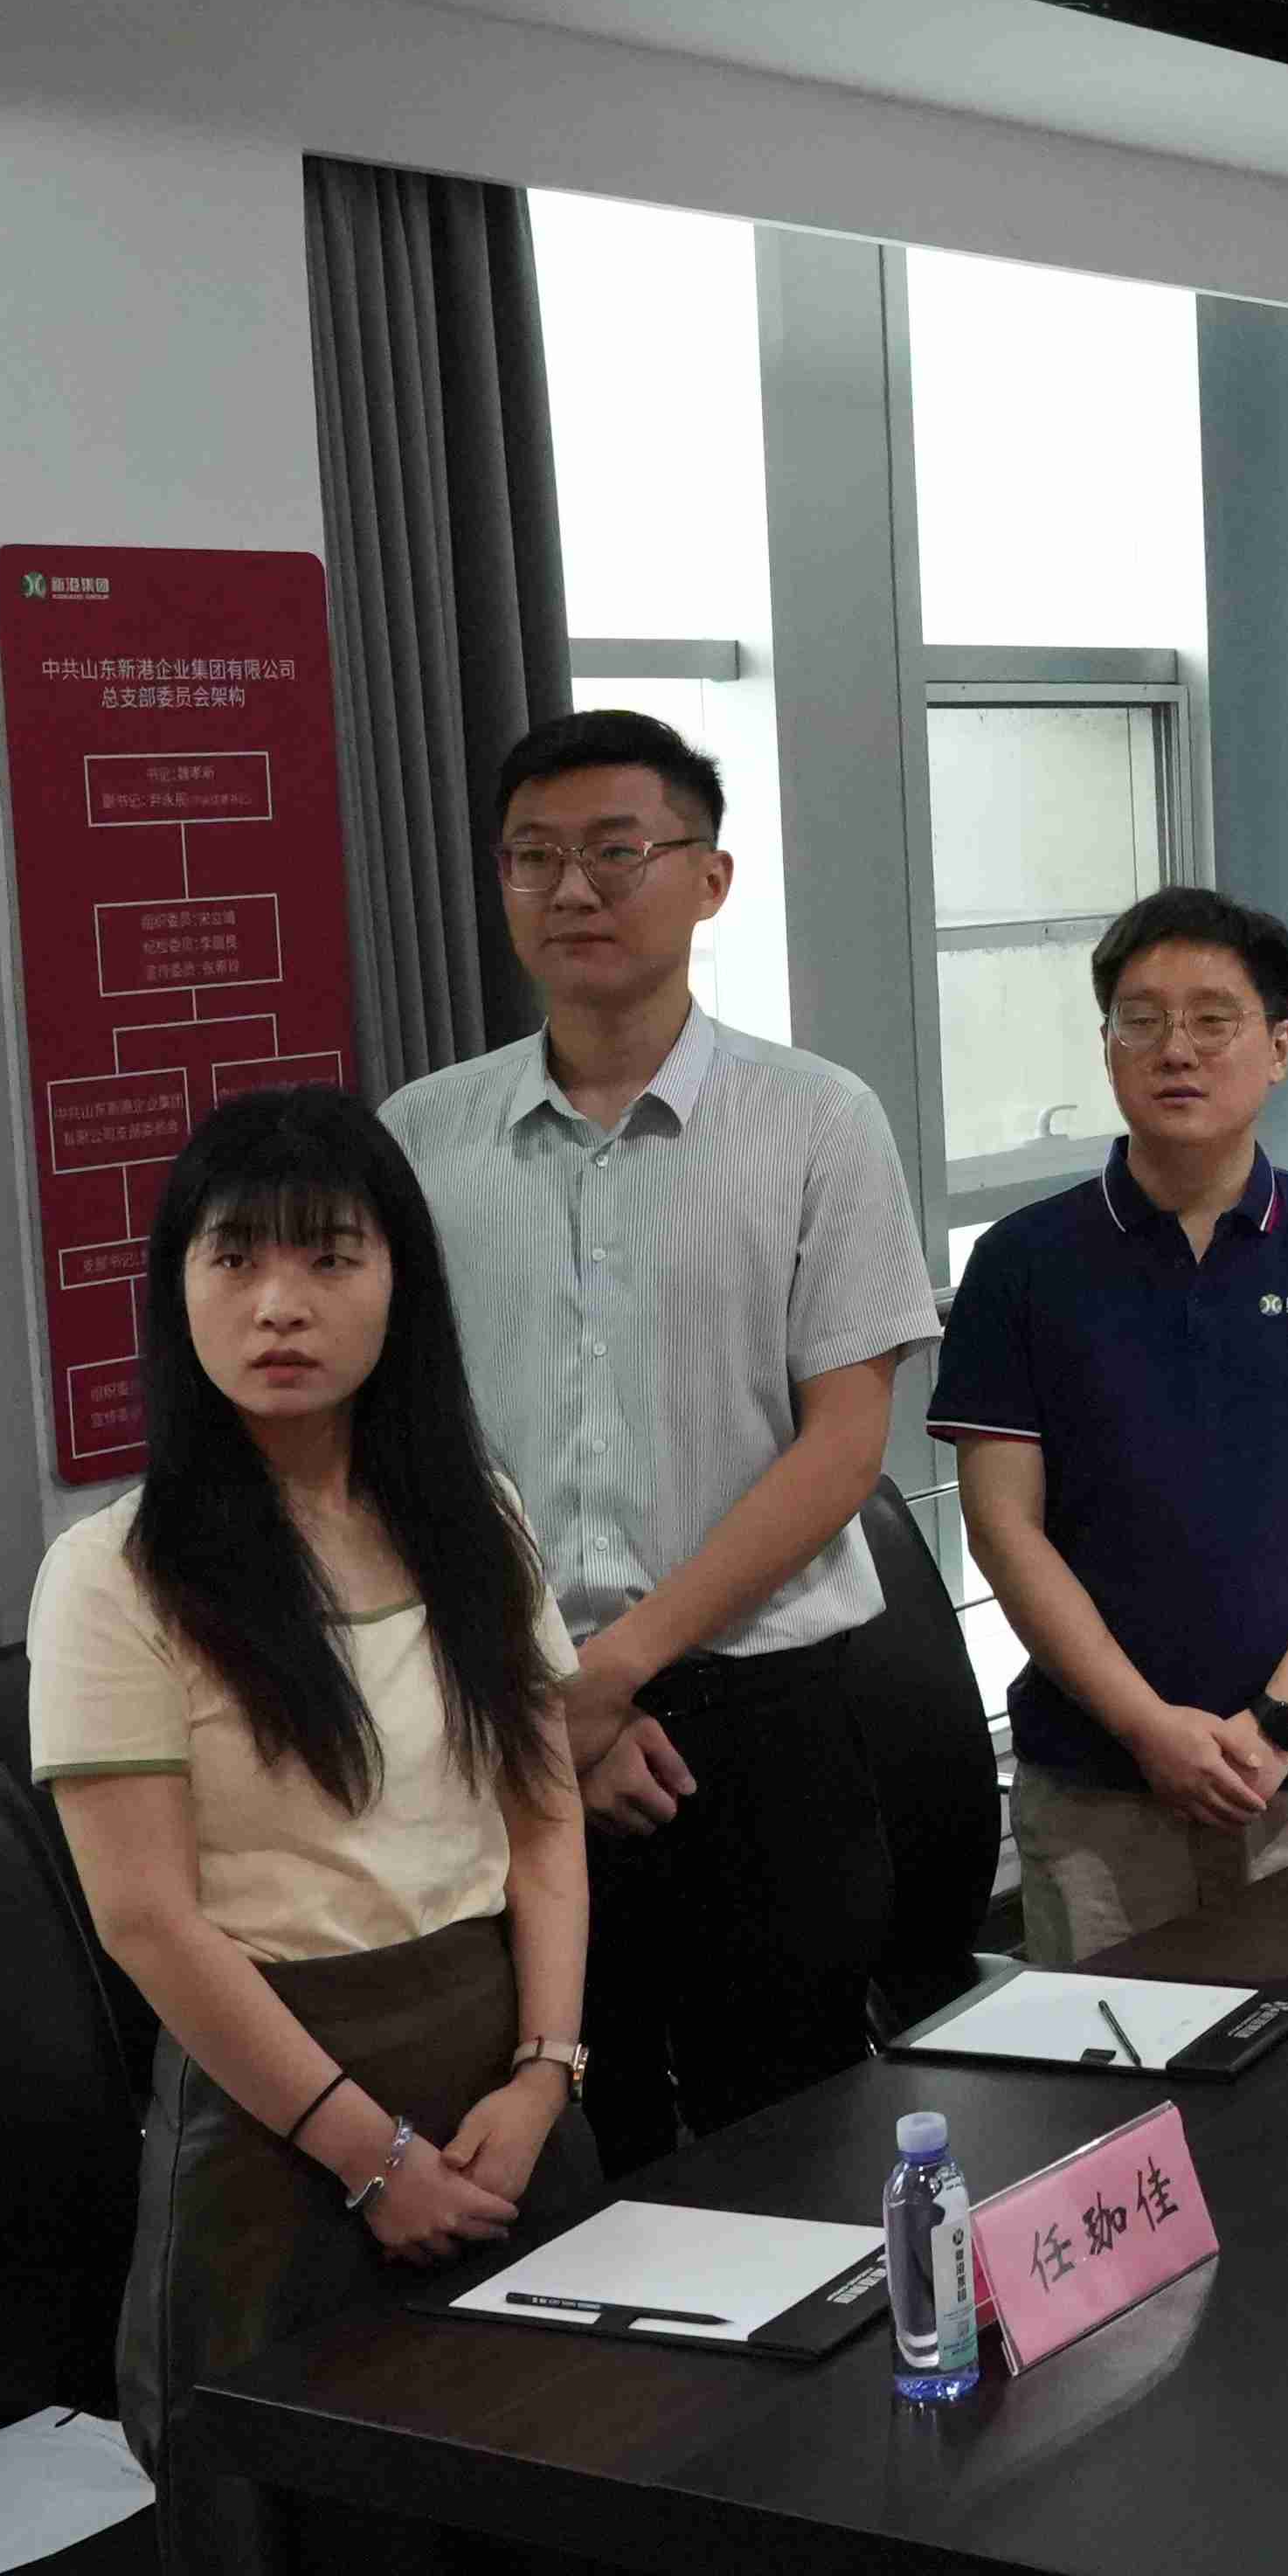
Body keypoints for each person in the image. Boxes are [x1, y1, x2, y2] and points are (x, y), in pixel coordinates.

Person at [35, 1089, 689, 2576]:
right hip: (278, 2141)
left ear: (402, 1279)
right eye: (235, 1256)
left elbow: (542, 1811)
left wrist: (548, 2067)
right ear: (179, 1292)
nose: (282, 1300)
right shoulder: (119, 1573)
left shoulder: (462, 1513)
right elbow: (155, 1924)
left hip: (502, 2086)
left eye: (329, 1252)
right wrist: (370, 2147)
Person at [381, 708, 945, 2176]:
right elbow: (400, 1447)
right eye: (534, 858)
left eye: (616, 852)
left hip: (760, 1721)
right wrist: (548, 1696)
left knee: (796, 2143)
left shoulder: (818, 1122)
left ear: (710, 878)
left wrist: (615, 1672)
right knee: (565, 2149)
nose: (572, 890)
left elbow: (843, 1448)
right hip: (500, 1716)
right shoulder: (420, 1139)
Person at [936, 888, 1288, 1959]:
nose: (1177, 1049)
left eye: (1215, 1019)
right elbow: (1002, 1528)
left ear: (1280, 1047)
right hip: (1098, 1785)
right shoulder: (1020, 1262)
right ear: (1106, 1046)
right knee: (1113, 2057)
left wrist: (1278, 1725)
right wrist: (1144, 1726)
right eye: (1142, 1019)